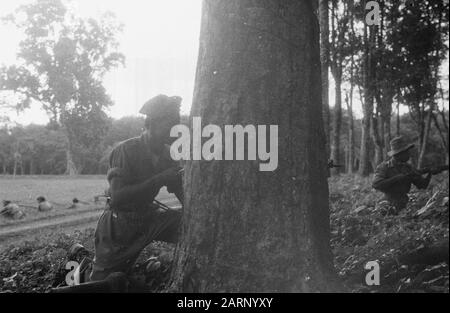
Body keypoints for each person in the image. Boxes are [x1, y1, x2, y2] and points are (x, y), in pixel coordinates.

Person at [90, 94, 183, 281]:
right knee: (106, 283)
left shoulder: (168, 155)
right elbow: (118, 198)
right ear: (152, 124)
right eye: (169, 124)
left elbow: (180, 192)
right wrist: (159, 179)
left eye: (176, 124)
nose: (174, 130)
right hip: (120, 225)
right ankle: (83, 265)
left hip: (149, 219)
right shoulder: (126, 150)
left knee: (188, 226)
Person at [372, 136, 434, 215]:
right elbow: (376, 184)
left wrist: (430, 173)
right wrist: (397, 178)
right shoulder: (384, 167)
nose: (409, 154)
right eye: (406, 152)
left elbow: (422, 185)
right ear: (399, 154)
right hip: (386, 204)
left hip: (405, 204)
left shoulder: (408, 168)